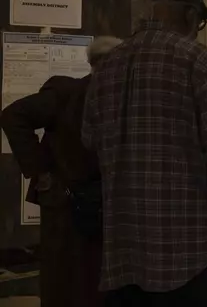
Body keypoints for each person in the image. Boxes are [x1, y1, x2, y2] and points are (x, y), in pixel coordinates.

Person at [81, 0, 207, 307]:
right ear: (190, 15)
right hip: (184, 249)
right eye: (200, 22)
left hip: (123, 243)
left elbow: (89, 138)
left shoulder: (108, 64)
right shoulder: (199, 61)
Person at [0, 36, 122, 307]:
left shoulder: (103, 97)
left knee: (82, 280)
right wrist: (41, 173)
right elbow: (13, 116)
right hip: (67, 202)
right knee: (67, 280)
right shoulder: (68, 92)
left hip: (89, 204)